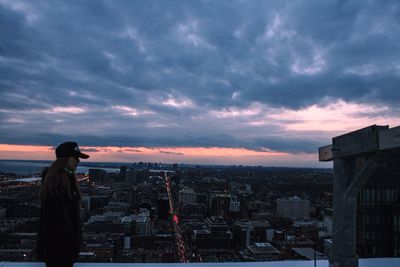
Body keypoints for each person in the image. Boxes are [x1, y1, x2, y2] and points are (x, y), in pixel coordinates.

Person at [36, 141, 89, 267]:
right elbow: (61, 220)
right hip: (59, 250)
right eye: (76, 158)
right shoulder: (58, 183)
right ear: (67, 159)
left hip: (59, 250)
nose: (78, 161)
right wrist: (72, 242)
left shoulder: (64, 179)